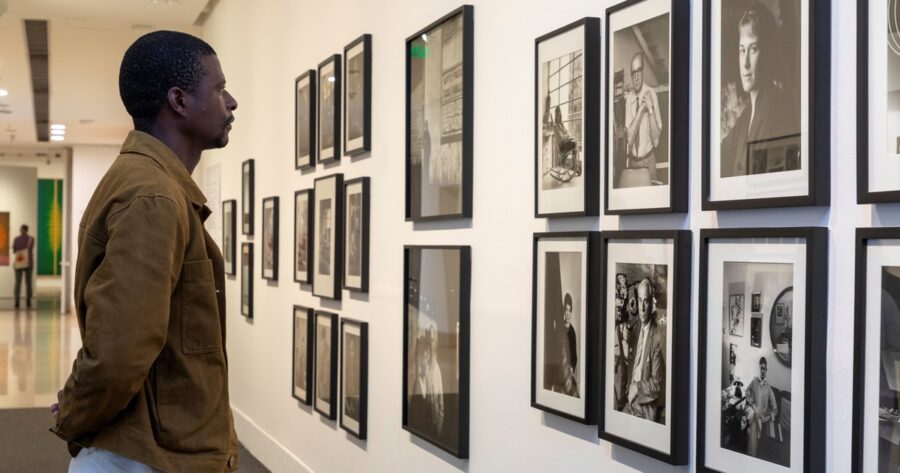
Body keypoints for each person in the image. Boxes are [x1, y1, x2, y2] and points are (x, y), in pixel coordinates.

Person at [51, 30, 239, 472]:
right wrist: (74, 416)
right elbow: (119, 351)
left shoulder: (150, 184)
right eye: (219, 89)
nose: (231, 103)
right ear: (179, 100)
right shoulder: (153, 195)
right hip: (145, 458)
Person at [720, 4, 800, 177]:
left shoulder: (774, 108)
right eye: (742, 50)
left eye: (753, 49)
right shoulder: (749, 110)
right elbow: (720, 156)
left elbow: (759, 183)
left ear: (768, 53)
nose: (745, 63)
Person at [624, 279, 664, 422]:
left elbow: (657, 384)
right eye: (640, 300)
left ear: (651, 303)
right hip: (629, 402)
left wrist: (636, 388)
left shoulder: (657, 336)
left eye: (645, 301)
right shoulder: (635, 328)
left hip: (644, 409)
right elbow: (630, 362)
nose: (641, 308)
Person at [620, 52, 662, 187]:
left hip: (649, 161)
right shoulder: (629, 99)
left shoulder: (651, 93)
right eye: (633, 73)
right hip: (633, 162)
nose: (636, 77)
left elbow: (656, 141)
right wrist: (641, 109)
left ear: (643, 72)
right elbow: (630, 138)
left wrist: (650, 109)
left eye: (639, 71)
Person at [746, 356, 779, 457]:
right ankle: (752, 454)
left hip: (761, 418)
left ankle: (751, 454)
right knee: (753, 415)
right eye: (761, 368)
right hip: (753, 411)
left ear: (766, 370)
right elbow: (747, 391)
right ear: (759, 368)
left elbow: (775, 409)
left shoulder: (768, 388)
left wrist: (768, 417)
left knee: (755, 422)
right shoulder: (754, 381)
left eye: (764, 368)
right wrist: (752, 402)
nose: (762, 370)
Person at [12, 224, 35, 308]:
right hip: (28, 262)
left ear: (23, 230)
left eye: (21, 229)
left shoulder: (16, 239)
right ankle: (28, 301)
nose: (20, 231)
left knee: (18, 282)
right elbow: (31, 248)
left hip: (19, 262)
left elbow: (14, 251)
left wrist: (19, 250)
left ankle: (17, 301)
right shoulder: (31, 239)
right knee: (28, 282)